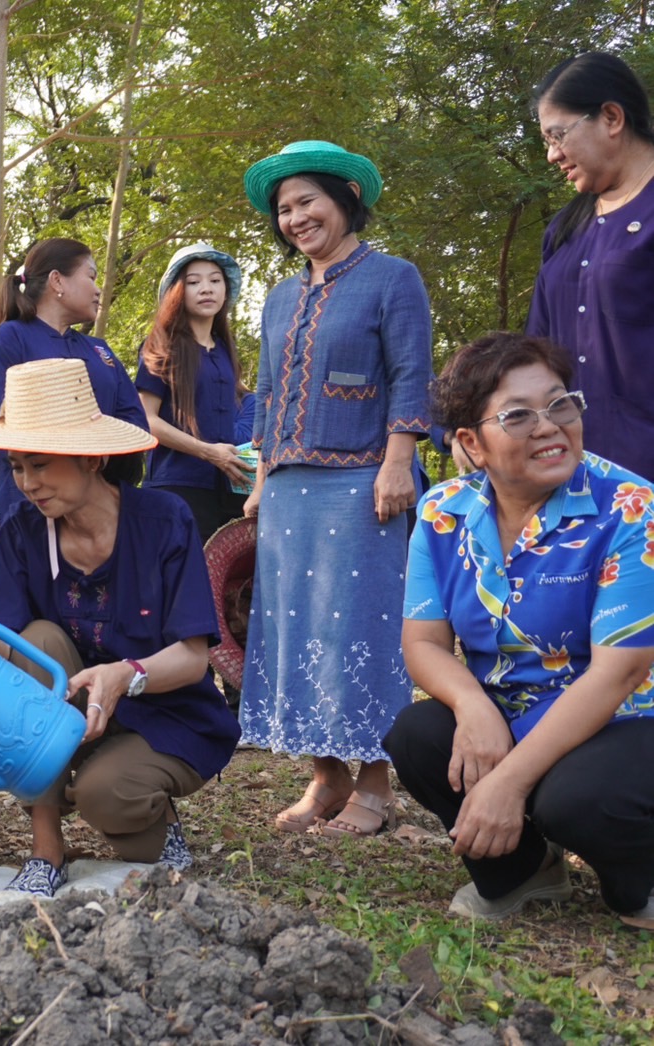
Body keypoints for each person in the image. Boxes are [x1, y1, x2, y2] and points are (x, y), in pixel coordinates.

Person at [0, 358, 240, 897]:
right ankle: (46, 850)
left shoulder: (165, 521)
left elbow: (193, 657)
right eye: (16, 467)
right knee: (35, 641)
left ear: (93, 458)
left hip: (164, 715)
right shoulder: (23, 530)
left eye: (40, 465)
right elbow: (4, 640)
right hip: (70, 709)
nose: (27, 484)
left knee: (108, 797)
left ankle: (152, 811)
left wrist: (126, 675)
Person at [386, 331, 654, 925]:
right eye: (518, 415)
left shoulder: (630, 507)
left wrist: (508, 782)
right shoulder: (443, 512)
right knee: (418, 735)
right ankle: (524, 872)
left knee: (579, 801)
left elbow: (620, 673)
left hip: (627, 719)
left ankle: (639, 882)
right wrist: (471, 706)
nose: (549, 427)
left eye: (560, 404)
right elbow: (423, 643)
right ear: (470, 443)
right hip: (513, 708)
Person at [238, 140, 434, 838]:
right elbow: (266, 393)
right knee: (295, 628)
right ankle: (326, 776)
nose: (294, 218)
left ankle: (375, 785)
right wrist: (260, 481)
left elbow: (411, 374)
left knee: (359, 627)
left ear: (346, 198)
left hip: (363, 481)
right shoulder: (278, 297)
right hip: (287, 488)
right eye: (283, 209)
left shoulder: (392, 278)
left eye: (306, 201)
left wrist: (397, 461)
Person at [525, 52, 654, 480]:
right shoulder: (565, 229)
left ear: (611, 118)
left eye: (557, 135)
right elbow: (536, 349)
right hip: (576, 472)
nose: (552, 155)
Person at [0, 237, 149, 536]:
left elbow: (136, 425)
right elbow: (1, 426)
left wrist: (102, 458)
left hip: (102, 514)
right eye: (91, 276)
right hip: (32, 512)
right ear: (57, 281)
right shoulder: (8, 340)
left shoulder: (99, 350)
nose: (98, 289)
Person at [135, 243, 252, 541]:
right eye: (193, 282)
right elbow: (146, 420)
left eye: (215, 280)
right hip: (177, 488)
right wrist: (208, 452)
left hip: (231, 490)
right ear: (177, 291)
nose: (206, 289)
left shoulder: (225, 349)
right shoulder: (162, 346)